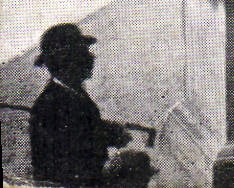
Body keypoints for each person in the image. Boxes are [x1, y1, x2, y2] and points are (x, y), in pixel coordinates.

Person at [29, 24, 153, 188]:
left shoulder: (70, 91)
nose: (91, 57)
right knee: (139, 165)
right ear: (68, 61)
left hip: (87, 177)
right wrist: (113, 151)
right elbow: (69, 167)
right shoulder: (50, 107)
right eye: (84, 53)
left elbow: (82, 128)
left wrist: (109, 130)